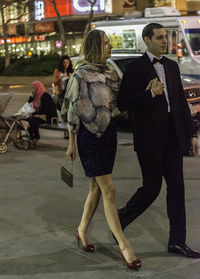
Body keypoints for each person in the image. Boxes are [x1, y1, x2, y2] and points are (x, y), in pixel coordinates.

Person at [117, 22, 200, 258]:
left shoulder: (172, 66)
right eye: (160, 37)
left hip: (173, 139)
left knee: (177, 190)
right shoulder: (135, 68)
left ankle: (177, 241)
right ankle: (119, 219)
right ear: (147, 40)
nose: (165, 41)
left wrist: (192, 133)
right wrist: (149, 94)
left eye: (166, 37)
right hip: (149, 140)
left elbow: (181, 105)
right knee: (151, 189)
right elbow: (123, 102)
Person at [62, 29, 141, 270]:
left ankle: (81, 230)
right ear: (96, 46)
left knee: (96, 188)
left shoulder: (110, 73)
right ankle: (124, 245)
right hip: (88, 137)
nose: (110, 47)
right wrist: (71, 142)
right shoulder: (81, 74)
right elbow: (71, 109)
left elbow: (121, 101)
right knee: (109, 188)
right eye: (107, 44)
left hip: (109, 135)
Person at [27, 81, 57, 147]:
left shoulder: (45, 96)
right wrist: (31, 96)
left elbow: (46, 109)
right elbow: (28, 105)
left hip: (49, 117)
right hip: (40, 115)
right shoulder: (36, 96)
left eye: (34, 88)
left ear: (38, 88)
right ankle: (32, 138)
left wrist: (36, 114)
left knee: (32, 120)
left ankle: (36, 137)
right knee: (28, 120)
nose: (33, 90)